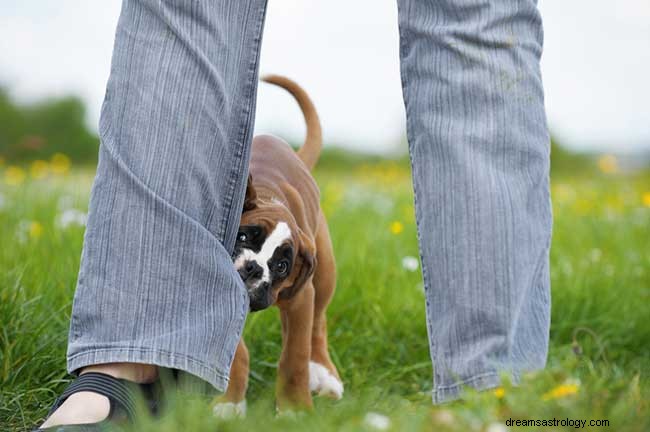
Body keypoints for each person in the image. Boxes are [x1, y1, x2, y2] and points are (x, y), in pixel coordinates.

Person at [39, 0, 551, 428]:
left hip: (292, 202)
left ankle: (491, 392)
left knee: (477, 12)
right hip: (260, 187)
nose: (251, 265)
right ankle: (136, 357)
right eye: (245, 242)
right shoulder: (248, 208)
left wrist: (296, 368)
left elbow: (298, 285)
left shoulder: (300, 250)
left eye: (276, 267)